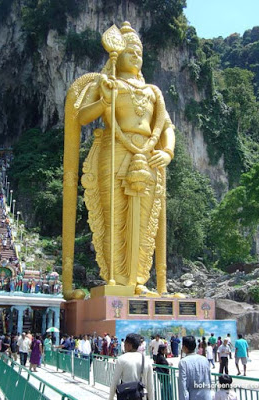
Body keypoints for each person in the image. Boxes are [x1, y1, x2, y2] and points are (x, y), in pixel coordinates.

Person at [63, 21, 175, 299]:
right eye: (129, 51)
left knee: (146, 219)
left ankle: (138, 281)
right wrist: (105, 101)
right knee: (114, 217)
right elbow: (81, 116)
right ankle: (115, 278)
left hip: (148, 157)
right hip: (114, 151)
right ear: (117, 55)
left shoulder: (153, 91)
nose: (135, 55)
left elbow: (167, 127)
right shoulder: (107, 83)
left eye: (139, 51)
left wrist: (167, 151)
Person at [109, 333, 154, 400]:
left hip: (126, 396)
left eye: (125, 344)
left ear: (129, 345)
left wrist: (111, 398)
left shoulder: (121, 359)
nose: (124, 346)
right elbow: (150, 385)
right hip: (141, 396)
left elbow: (114, 382)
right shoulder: (146, 360)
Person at [178, 335, 212, 400]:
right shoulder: (205, 359)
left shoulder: (183, 362)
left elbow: (183, 386)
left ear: (184, 347)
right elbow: (209, 380)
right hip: (206, 396)